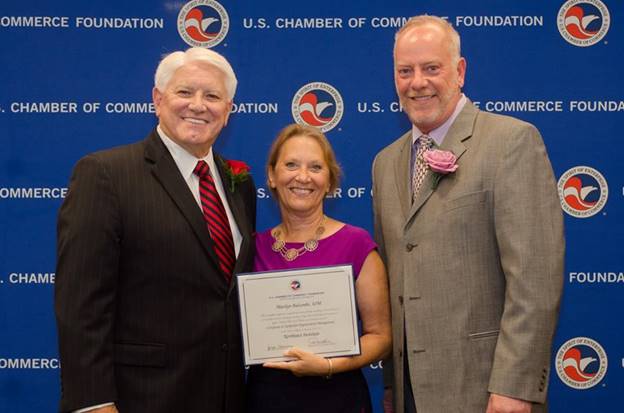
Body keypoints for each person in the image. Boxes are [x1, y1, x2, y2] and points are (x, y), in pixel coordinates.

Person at [372, 15, 564, 413]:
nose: (417, 82)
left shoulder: (511, 142)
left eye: (431, 68)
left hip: (488, 392)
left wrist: (515, 387)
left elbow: (535, 277)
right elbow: (396, 281)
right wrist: (393, 383)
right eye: (405, 71)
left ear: (459, 71)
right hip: (410, 395)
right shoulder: (385, 163)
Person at [55, 47, 256, 413]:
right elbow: (81, 304)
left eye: (212, 96)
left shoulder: (239, 184)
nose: (198, 105)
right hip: (141, 398)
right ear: (158, 100)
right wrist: (93, 404)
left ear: (228, 112)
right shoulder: (106, 174)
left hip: (227, 398)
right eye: (185, 92)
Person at [245, 124, 391, 413]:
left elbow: (381, 336)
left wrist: (327, 365)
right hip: (267, 399)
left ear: (329, 181)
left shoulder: (356, 244)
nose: (303, 177)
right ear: (272, 176)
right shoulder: (252, 247)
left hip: (337, 396)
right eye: (290, 165)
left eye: (315, 167)